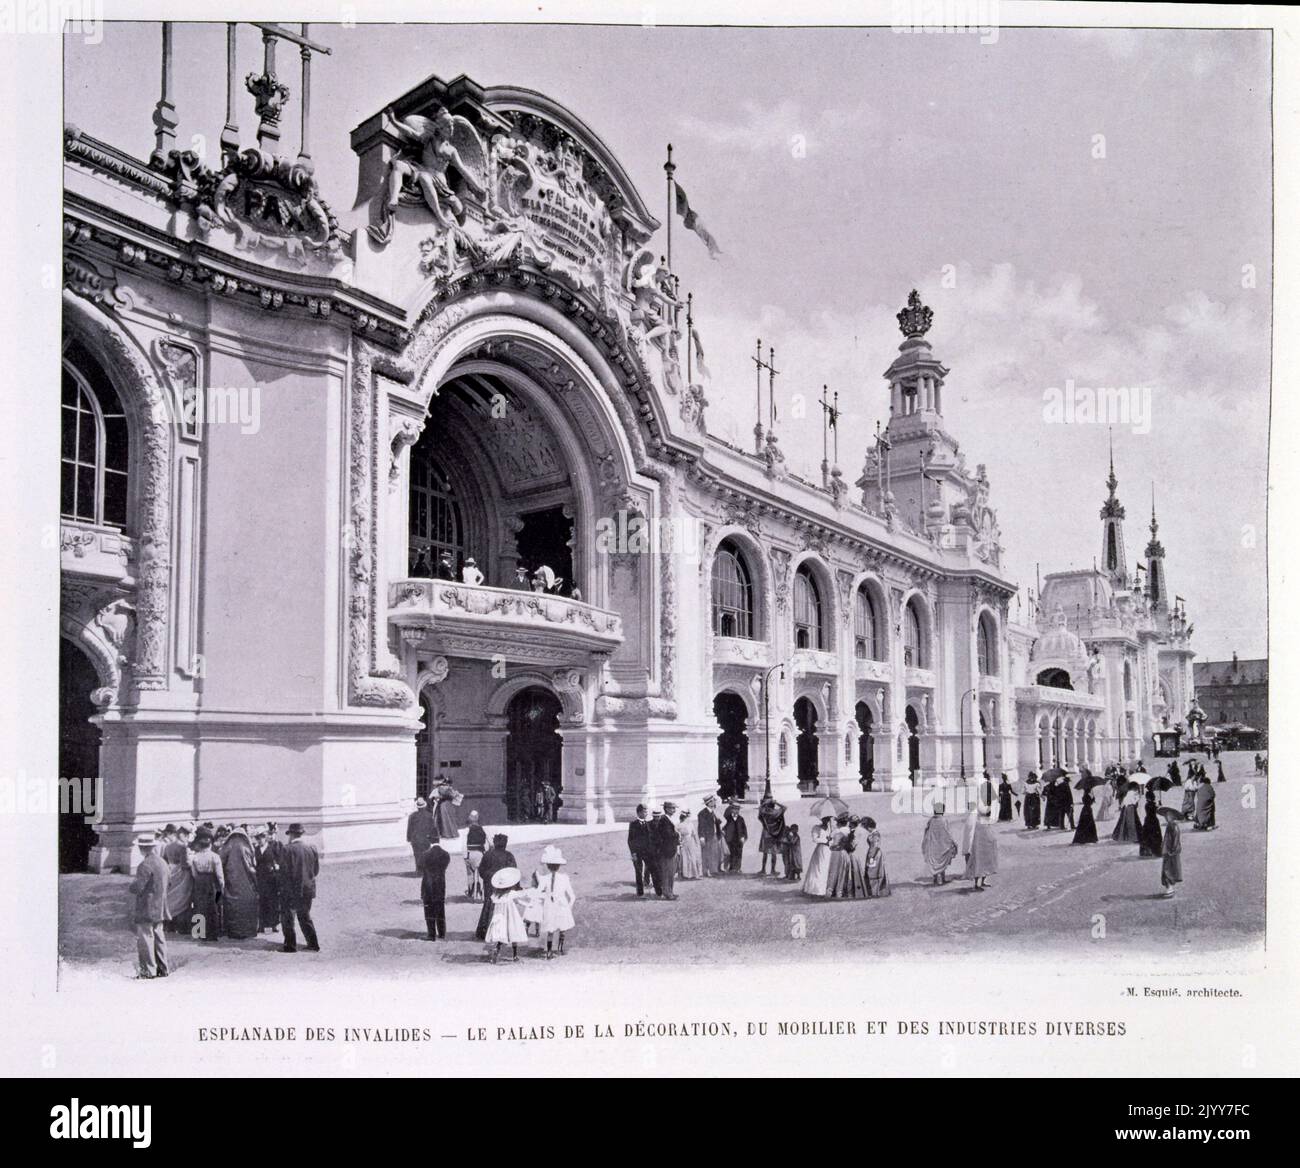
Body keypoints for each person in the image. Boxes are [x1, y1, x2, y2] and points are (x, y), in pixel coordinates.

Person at [129, 834, 169, 979]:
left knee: (145, 938)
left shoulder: (144, 865)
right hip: (160, 906)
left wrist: (131, 886)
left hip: (146, 906)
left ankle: (148, 971)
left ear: (141, 848)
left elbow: (138, 887)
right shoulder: (163, 862)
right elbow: (168, 883)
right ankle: (163, 969)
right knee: (159, 937)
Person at [280, 823, 321, 953]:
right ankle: (313, 944)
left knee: (288, 918)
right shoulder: (312, 848)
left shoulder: (287, 849)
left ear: (291, 835)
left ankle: (290, 946)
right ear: (301, 834)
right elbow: (315, 870)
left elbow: (284, 873)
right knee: (305, 917)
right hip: (308, 889)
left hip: (291, 890)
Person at [533, 846, 576, 958]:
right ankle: (560, 949)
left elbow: (538, 893)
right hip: (561, 905)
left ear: (547, 865)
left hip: (550, 906)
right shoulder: (564, 878)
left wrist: (545, 897)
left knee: (550, 929)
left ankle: (549, 951)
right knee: (562, 928)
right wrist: (569, 907)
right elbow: (572, 896)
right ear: (559, 866)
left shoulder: (544, 878)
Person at [219, 827, 260, 939]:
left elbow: (221, 861)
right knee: (246, 905)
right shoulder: (247, 846)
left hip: (231, 880)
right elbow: (253, 864)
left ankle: (233, 931)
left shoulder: (227, 846)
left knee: (232, 906)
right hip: (246, 881)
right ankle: (248, 931)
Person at [475, 834, 517, 940]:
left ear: (494, 843)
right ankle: (504, 931)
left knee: (488, 905)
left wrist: (487, 877)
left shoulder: (488, 855)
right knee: (503, 907)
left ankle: (484, 931)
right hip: (505, 885)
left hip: (489, 883)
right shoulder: (509, 856)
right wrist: (515, 886)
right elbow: (514, 871)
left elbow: (481, 870)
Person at [485, 867, 529, 963]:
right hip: (511, 917)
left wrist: (526, 904)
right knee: (514, 933)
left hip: (500, 918)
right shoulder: (511, 893)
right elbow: (520, 896)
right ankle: (515, 956)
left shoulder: (496, 895)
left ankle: (496, 951)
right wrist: (528, 898)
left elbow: (517, 900)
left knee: (501, 936)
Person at [188, 828, 224, 942]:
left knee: (199, 906)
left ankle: (199, 932)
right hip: (211, 882)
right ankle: (212, 934)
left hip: (199, 882)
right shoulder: (215, 856)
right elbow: (219, 874)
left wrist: (198, 880)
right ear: (211, 843)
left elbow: (193, 873)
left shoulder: (195, 857)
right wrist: (221, 886)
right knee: (213, 907)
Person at [162, 825, 193, 935]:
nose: (188, 837)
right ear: (181, 834)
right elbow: (185, 865)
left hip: (171, 872)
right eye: (187, 835)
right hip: (181, 875)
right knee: (182, 900)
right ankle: (182, 928)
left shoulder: (168, 846)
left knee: (171, 899)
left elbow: (164, 861)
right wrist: (192, 861)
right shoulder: (183, 847)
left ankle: (168, 926)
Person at [829, 815, 869, 899]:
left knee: (854, 873)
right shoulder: (861, 831)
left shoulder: (856, 832)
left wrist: (843, 844)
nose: (849, 825)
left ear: (853, 823)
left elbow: (852, 846)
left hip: (855, 854)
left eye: (850, 823)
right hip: (860, 853)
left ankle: (855, 893)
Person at [419, 837, 451, 940]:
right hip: (440, 884)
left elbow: (420, 868)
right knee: (440, 908)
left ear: (429, 841)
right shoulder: (445, 854)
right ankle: (442, 933)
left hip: (428, 884)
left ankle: (431, 934)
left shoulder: (424, 855)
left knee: (429, 909)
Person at [963, 805, 998, 891]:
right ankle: (976, 885)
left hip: (985, 847)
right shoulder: (977, 823)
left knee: (984, 865)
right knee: (978, 865)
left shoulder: (983, 822)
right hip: (979, 848)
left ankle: (981, 882)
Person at [922, 803, 959, 885]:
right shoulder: (943, 820)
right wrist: (953, 842)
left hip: (933, 845)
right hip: (942, 845)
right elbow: (947, 833)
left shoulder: (931, 820)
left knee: (935, 862)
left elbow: (926, 832)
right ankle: (942, 879)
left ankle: (935, 879)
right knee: (942, 862)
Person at [254, 825, 282, 934]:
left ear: (265, 837)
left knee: (273, 902)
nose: (259, 839)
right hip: (260, 878)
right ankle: (262, 925)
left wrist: (277, 867)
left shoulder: (273, 848)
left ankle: (273, 925)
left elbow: (279, 860)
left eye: (261, 837)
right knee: (262, 902)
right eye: (257, 837)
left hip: (271, 878)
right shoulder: (256, 849)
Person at [651, 802, 680, 900]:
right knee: (667, 872)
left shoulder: (668, 819)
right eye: (672, 808)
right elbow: (667, 834)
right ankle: (667, 893)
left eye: (674, 808)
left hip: (671, 849)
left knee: (671, 872)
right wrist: (677, 834)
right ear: (666, 809)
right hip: (666, 851)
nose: (674, 810)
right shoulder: (664, 820)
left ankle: (670, 891)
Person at [802, 816, 833, 897]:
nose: (826, 821)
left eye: (828, 819)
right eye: (825, 819)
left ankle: (826, 890)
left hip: (828, 850)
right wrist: (826, 841)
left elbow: (832, 839)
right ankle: (817, 891)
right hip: (821, 849)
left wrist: (831, 840)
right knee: (819, 868)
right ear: (821, 819)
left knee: (827, 868)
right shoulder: (816, 828)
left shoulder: (830, 828)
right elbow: (815, 839)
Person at [757, 795, 787, 877]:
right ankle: (772, 870)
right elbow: (785, 807)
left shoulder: (764, 812)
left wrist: (764, 803)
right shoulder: (776, 812)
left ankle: (763, 869)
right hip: (775, 835)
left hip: (766, 833)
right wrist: (776, 802)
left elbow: (759, 811)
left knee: (765, 853)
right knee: (773, 853)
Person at [627, 805, 653, 897]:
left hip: (647, 852)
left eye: (646, 811)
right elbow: (630, 840)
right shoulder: (633, 824)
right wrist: (633, 853)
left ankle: (647, 882)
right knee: (638, 872)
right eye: (644, 812)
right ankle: (640, 892)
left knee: (650, 867)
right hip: (637, 853)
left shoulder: (648, 824)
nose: (646, 813)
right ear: (639, 813)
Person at [406, 796, 434, 874]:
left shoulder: (412, 816)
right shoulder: (429, 815)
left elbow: (409, 828)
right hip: (426, 838)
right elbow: (432, 828)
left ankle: (419, 869)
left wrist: (409, 838)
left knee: (417, 854)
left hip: (415, 839)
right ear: (425, 806)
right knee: (426, 853)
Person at [863, 818, 890, 898]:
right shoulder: (873, 834)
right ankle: (873, 892)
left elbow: (875, 846)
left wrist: (871, 857)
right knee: (872, 872)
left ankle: (875, 892)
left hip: (875, 855)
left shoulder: (875, 834)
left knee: (873, 873)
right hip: (873, 853)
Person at [697, 796, 723, 877]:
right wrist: (702, 837)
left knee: (714, 853)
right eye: (713, 801)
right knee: (706, 853)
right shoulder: (702, 813)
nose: (714, 802)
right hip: (707, 836)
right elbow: (701, 826)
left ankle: (713, 869)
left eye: (714, 801)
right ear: (708, 803)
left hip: (715, 835)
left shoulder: (713, 812)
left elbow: (717, 822)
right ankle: (706, 871)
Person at [464, 810, 487, 899]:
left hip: (470, 854)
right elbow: (487, 843)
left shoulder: (467, 830)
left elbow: (464, 845)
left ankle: (471, 891)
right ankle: (481, 891)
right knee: (481, 873)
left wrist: (465, 857)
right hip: (480, 854)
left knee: (470, 874)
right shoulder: (482, 829)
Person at [1160, 812, 1183, 898]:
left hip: (1171, 852)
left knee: (1169, 869)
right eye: (1165, 816)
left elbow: (1176, 841)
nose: (1166, 818)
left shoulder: (1174, 827)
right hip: (1167, 851)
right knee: (1167, 869)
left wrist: (1172, 851)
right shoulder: (1170, 826)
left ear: (1172, 817)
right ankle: (1169, 887)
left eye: (1168, 816)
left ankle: (1170, 888)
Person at [722, 801, 747, 875]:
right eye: (735, 809)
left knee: (739, 853)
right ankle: (731, 868)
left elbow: (744, 829)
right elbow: (724, 827)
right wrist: (723, 832)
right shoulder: (727, 818)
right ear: (731, 810)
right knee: (731, 853)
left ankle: (738, 868)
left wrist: (743, 837)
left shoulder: (741, 819)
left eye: (738, 809)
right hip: (730, 839)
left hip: (739, 839)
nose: (736, 811)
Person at [676, 810, 703, 879]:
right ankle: (691, 874)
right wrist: (697, 842)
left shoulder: (679, 825)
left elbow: (693, 834)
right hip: (687, 841)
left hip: (686, 841)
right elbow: (694, 834)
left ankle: (688, 874)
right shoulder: (686, 824)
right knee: (690, 856)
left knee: (687, 857)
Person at [1139, 788, 1164, 857]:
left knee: (1147, 836)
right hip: (1154, 821)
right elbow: (1155, 810)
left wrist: (1157, 805)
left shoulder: (1147, 804)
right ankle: (1155, 851)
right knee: (1154, 836)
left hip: (1148, 820)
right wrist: (1159, 805)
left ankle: (1147, 851)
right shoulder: (1152, 805)